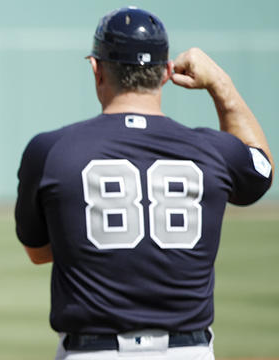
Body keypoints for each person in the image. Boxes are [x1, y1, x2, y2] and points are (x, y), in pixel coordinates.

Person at [14, 7, 273, 360]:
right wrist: (219, 83)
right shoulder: (214, 149)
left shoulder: (51, 150)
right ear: (167, 73)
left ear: (96, 68)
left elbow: (38, 252)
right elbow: (261, 169)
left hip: (92, 352)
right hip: (189, 351)